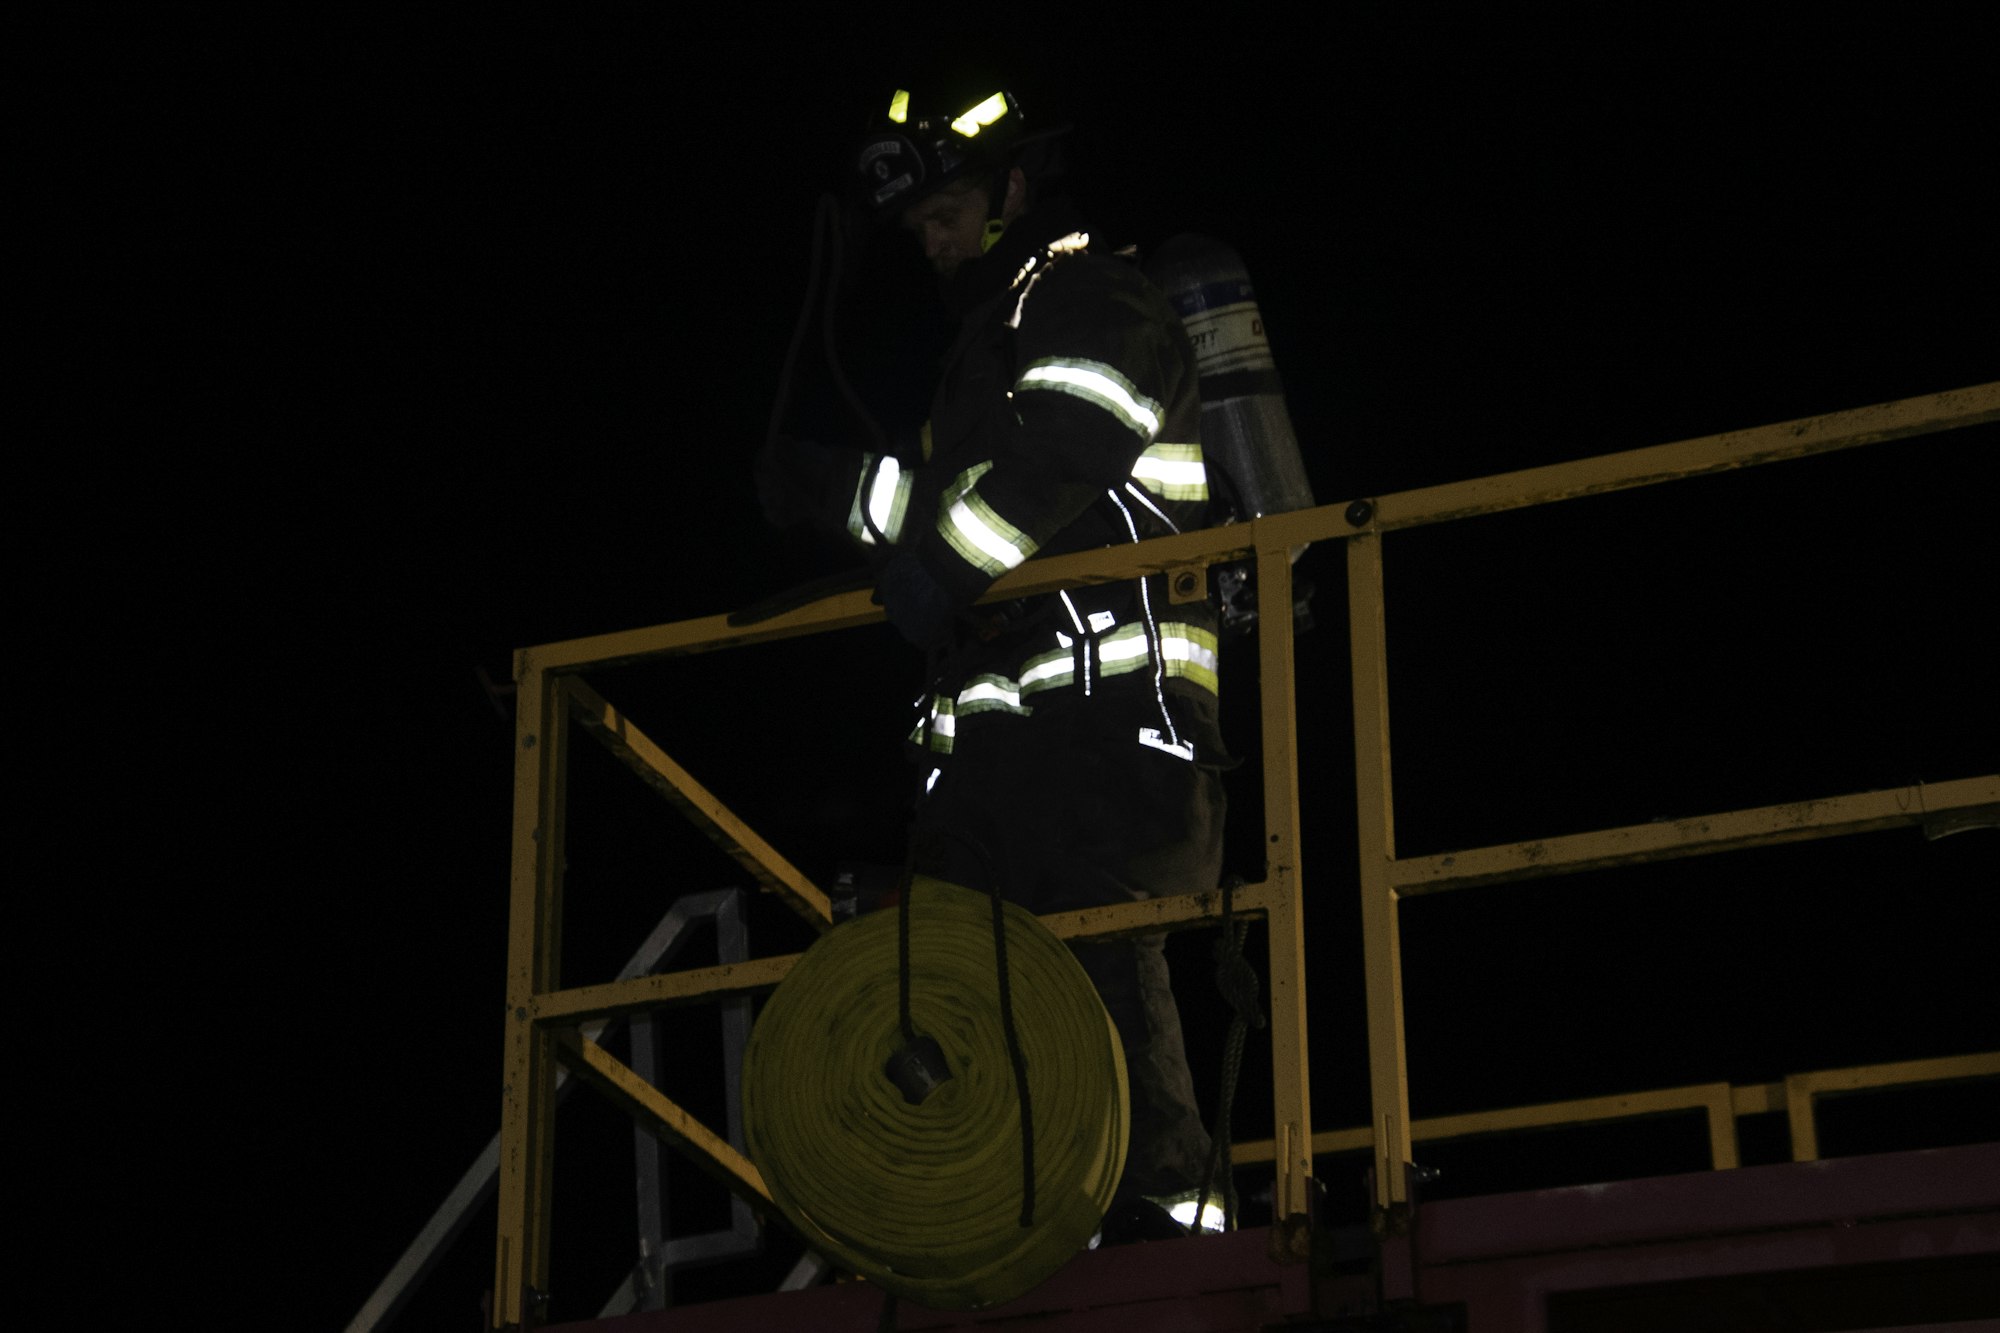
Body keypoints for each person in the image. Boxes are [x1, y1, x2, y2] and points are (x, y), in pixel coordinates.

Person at [759, 86, 1228, 1240]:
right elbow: (955, 514)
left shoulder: (1086, 294)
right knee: (967, 991)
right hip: (1001, 745)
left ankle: (1172, 1240)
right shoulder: (990, 346)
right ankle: (1010, 1229)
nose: (932, 242)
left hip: (1110, 715)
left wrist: (944, 568)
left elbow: (1065, 449)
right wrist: (836, 493)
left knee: (1093, 960)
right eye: (918, 229)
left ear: (1014, 188)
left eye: (948, 212)